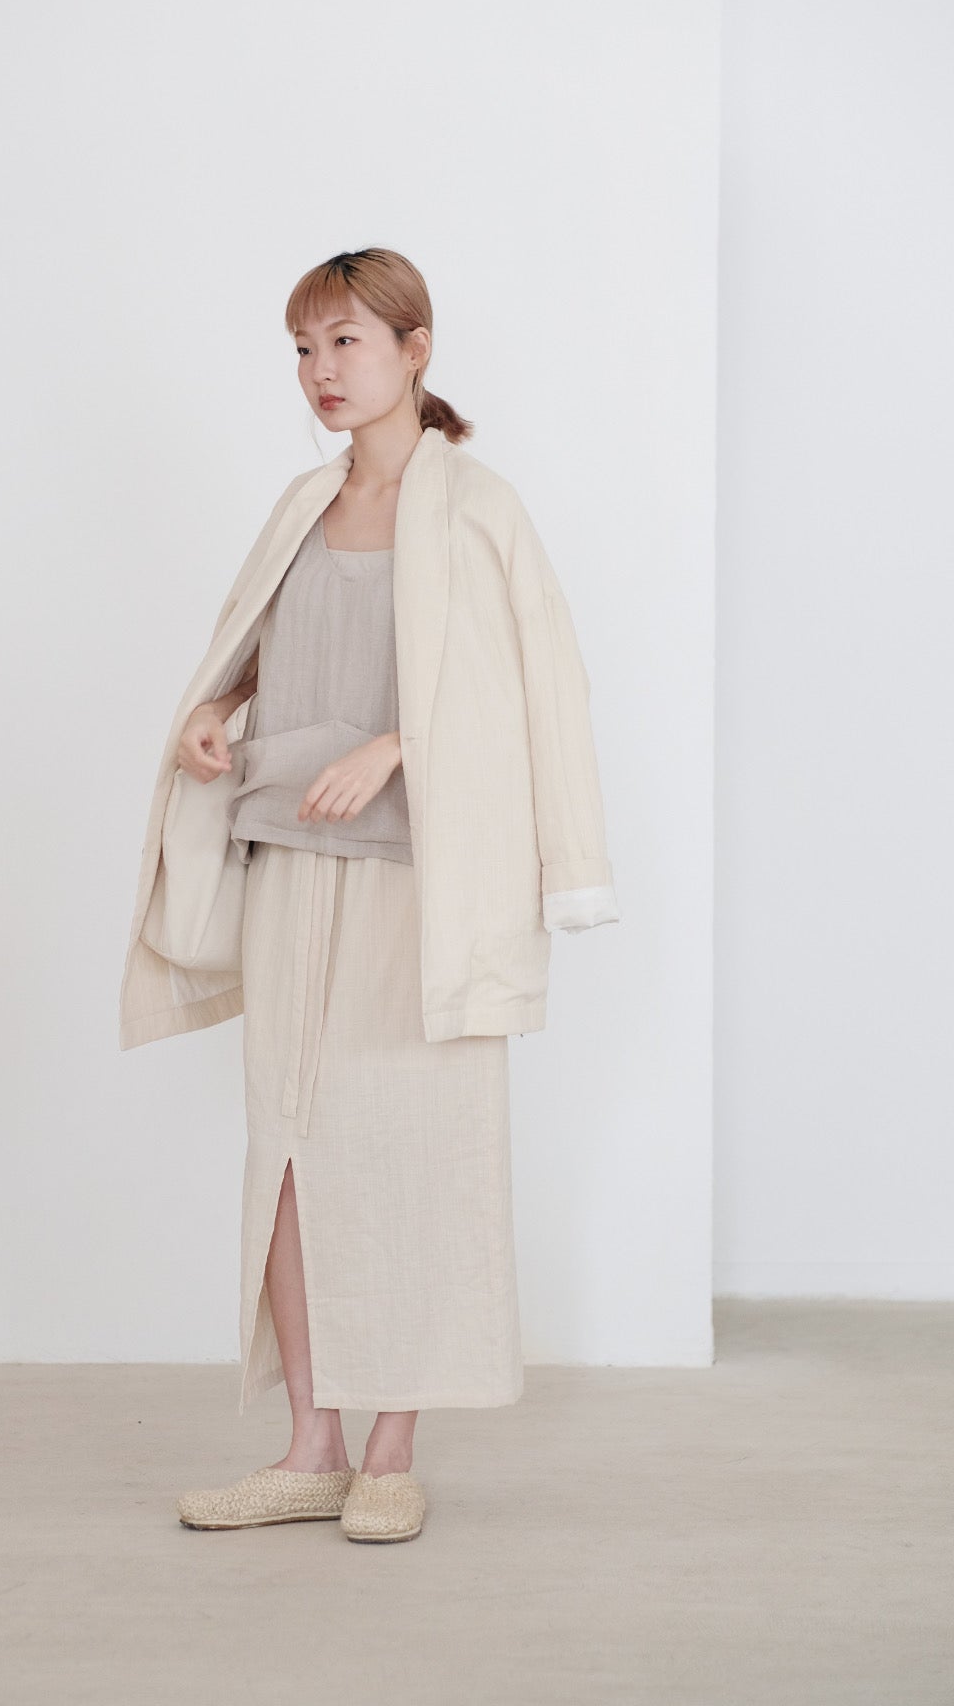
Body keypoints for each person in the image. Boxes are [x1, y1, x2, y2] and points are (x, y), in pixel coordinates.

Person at [167, 247, 618, 1544]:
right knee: (290, 1152)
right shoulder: (302, 505)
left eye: (347, 342)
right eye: (304, 349)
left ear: (416, 349)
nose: (321, 371)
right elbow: (261, 652)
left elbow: (537, 687)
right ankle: (310, 1448)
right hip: (289, 858)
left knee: (417, 1150)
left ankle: (391, 1450)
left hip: (422, 882)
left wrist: (401, 746)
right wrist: (216, 710)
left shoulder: (479, 507)